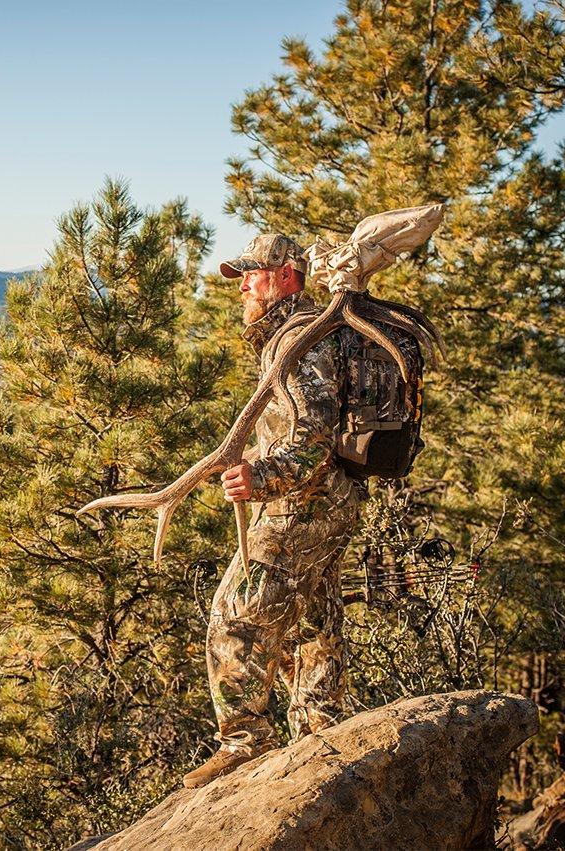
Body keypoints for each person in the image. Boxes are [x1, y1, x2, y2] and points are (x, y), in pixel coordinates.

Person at [182, 234, 369, 789]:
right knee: (313, 613)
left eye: (252, 274)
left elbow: (311, 442)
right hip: (338, 502)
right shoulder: (314, 333)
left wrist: (259, 476)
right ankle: (319, 725)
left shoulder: (301, 341)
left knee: (234, 615)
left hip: (303, 505)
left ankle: (245, 740)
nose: (242, 285)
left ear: (286, 275)